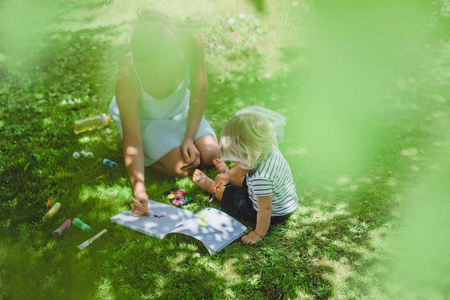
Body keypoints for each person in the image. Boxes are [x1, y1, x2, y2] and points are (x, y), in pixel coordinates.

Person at [109, 10, 219, 216]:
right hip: (147, 119)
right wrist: (139, 189)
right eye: (148, 70)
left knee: (211, 153)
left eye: (160, 67)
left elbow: (200, 91)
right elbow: (133, 139)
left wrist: (188, 138)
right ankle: (157, 155)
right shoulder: (127, 74)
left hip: (179, 109)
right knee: (180, 167)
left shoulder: (190, 42)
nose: (156, 75)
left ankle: (175, 142)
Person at [193, 113, 298, 244]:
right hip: (284, 201)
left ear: (250, 153)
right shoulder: (266, 150)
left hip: (274, 213)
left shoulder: (260, 178)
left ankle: (210, 186)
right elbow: (247, 167)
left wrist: (258, 234)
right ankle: (227, 177)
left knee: (232, 195)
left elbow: (265, 209)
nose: (235, 163)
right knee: (245, 178)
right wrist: (228, 175)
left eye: (237, 160)